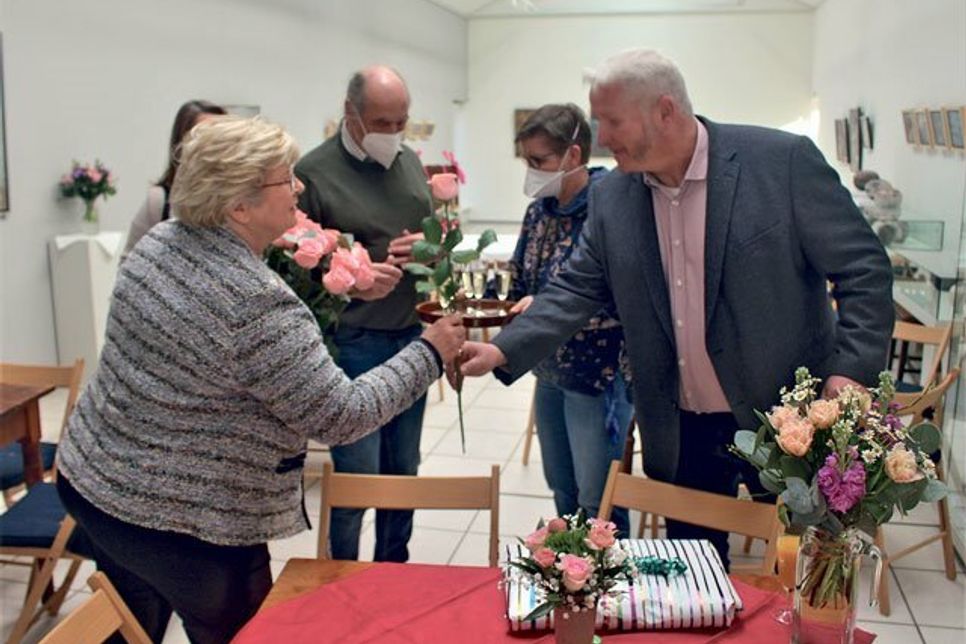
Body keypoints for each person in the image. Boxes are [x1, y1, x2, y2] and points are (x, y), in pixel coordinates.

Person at [458, 49, 894, 568]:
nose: (600, 137)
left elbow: (863, 268)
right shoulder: (614, 196)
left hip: (784, 419)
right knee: (693, 578)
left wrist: (850, 370)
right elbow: (576, 287)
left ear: (664, 110)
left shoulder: (782, 164)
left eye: (611, 121)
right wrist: (502, 349)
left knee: (796, 573)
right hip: (680, 426)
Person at [56, 115, 465, 644]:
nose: (298, 187)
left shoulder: (159, 244)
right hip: (190, 526)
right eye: (284, 178)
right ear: (238, 205)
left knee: (133, 624)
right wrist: (430, 352)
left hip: (96, 486)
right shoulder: (254, 302)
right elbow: (341, 415)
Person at [294, 65, 433, 563]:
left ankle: (394, 571)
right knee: (357, 478)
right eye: (381, 122)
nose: (392, 134)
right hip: (353, 343)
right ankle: (342, 578)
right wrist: (355, 279)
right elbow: (295, 277)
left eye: (402, 122)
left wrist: (431, 248)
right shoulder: (312, 174)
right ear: (349, 115)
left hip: (410, 336)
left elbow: (435, 234)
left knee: (404, 475)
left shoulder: (410, 162)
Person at [509, 103, 633, 536]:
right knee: (561, 487)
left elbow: (616, 293)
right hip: (548, 370)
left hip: (596, 374)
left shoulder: (609, 208)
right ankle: (571, 582)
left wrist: (541, 306)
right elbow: (519, 279)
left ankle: (612, 589)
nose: (532, 170)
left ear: (574, 155)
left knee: (598, 499)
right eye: (528, 160)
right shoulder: (539, 212)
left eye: (540, 161)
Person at [122, 99, 227, 256]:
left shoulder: (243, 199)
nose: (215, 145)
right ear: (182, 143)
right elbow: (129, 264)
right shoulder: (159, 201)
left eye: (222, 135)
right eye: (205, 136)